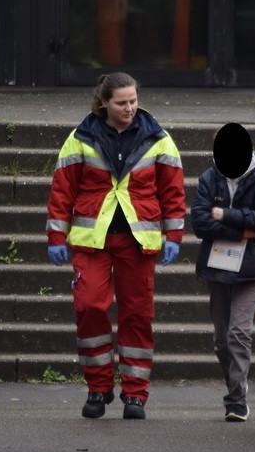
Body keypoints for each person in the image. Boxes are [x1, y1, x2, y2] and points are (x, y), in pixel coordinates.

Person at [45, 72, 186, 420]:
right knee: (90, 307)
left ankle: (135, 394)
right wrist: (56, 236)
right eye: (122, 102)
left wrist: (174, 236)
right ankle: (98, 385)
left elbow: (173, 192)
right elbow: (62, 190)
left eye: (133, 101)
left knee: (137, 316)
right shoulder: (80, 138)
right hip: (92, 240)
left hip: (138, 242)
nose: (129, 108)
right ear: (104, 102)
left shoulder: (159, 140)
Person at [190, 123, 255, 422]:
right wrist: (239, 230)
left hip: (249, 267)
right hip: (218, 264)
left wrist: (223, 215)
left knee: (239, 332)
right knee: (222, 339)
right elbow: (199, 222)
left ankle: (236, 399)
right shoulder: (211, 177)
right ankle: (235, 384)